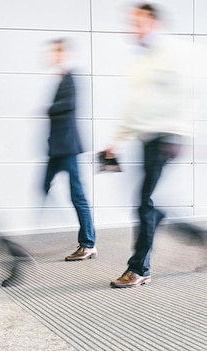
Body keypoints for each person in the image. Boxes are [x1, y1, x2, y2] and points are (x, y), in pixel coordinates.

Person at [106, 3, 193, 288]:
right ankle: (201, 238)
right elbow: (135, 107)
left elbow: (184, 93)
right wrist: (117, 141)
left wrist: (174, 132)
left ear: (153, 23)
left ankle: (139, 268)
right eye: (132, 23)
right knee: (151, 204)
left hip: (165, 137)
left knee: (144, 203)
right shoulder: (142, 60)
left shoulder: (170, 53)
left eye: (139, 22)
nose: (134, 28)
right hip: (147, 139)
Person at [43, 39, 97, 261]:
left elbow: (68, 105)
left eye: (55, 52)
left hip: (67, 147)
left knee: (77, 194)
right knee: (45, 188)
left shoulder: (72, 77)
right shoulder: (63, 77)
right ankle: (84, 241)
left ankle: (88, 243)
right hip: (58, 147)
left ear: (63, 53)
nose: (51, 56)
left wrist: (48, 109)